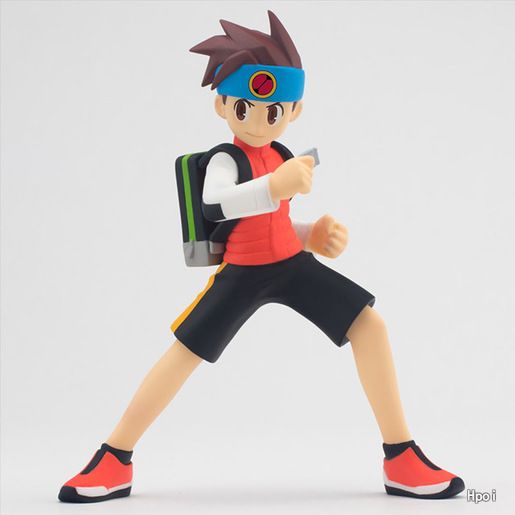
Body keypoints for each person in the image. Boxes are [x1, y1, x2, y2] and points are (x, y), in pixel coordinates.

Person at [58, 11, 464, 503]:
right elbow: (217, 204)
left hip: (291, 265)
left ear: (293, 111)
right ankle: (114, 457)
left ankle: (400, 455)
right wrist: (274, 186)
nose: (256, 121)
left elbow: (274, 221)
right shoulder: (226, 159)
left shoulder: (281, 156)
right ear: (222, 106)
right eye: (244, 107)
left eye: (272, 112)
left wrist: (311, 234)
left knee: (369, 325)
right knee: (185, 351)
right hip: (241, 273)